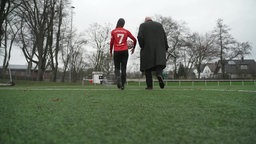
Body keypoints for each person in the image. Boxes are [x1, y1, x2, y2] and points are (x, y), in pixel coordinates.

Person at [137, 17, 169, 90]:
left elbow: (139, 37)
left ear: (145, 20)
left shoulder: (143, 25)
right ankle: (159, 75)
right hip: (159, 49)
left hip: (147, 49)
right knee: (158, 65)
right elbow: (164, 37)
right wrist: (166, 47)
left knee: (147, 68)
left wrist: (142, 45)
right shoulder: (159, 25)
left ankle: (149, 86)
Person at [110, 18, 137, 90]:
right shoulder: (126, 31)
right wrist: (133, 48)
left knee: (117, 67)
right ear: (123, 24)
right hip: (124, 51)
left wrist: (110, 51)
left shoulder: (113, 31)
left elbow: (112, 42)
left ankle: (118, 79)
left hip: (116, 51)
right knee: (123, 68)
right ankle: (122, 85)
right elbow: (134, 39)